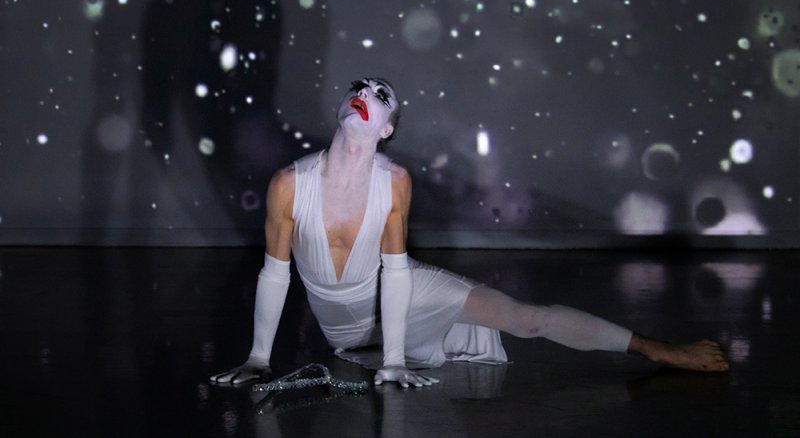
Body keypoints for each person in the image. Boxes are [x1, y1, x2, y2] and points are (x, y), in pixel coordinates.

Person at [211, 77, 729, 388]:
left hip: (403, 293)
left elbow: (396, 272)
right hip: (343, 331)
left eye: (380, 94)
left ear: (386, 129)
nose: (364, 93)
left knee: (526, 319)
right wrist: (259, 357)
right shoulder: (289, 184)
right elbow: (274, 275)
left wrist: (394, 360)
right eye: (358, 89)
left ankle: (658, 349)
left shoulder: (394, 182)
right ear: (343, 108)